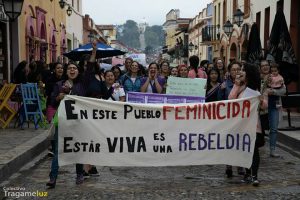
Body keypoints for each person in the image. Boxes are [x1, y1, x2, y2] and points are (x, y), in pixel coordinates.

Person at [46, 41, 98, 188]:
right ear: (66, 71)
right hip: (63, 123)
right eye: (70, 68)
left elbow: (90, 69)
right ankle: (52, 178)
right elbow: (53, 102)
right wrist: (59, 97)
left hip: (78, 123)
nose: (72, 70)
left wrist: (93, 53)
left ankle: (80, 174)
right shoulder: (59, 85)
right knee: (58, 150)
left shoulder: (82, 84)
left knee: (78, 149)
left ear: (78, 71)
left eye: (75, 68)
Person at [228, 63, 268, 186]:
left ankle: (254, 176)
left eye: (243, 70)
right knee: (245, 151)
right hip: (241, 125)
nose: (241, 71)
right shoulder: (240, 87)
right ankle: (247, 173)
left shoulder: (257, 88)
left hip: (254, 125)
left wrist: (261, 100)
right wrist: (237, 83)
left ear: (249, 73)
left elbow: (265, 105)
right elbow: (231, 99)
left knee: (253, 150)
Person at [218, 61, 244, 177]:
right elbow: (220, 101)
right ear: (229, 72)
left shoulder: (245, 84)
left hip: (242, 118)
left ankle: (240, 166)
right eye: (233, 70)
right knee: (229, 142)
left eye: (238, 69)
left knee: (240, 142)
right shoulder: (225, 84)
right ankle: (229, 165)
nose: (236, 72)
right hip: (229, 118)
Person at [266, 62, 286, 157]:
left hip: (274, 106)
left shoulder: (280, 79)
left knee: (273, 129)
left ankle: (272, 150)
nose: (274, 72)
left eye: (275, 70)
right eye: (272, 70)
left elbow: (283, 91)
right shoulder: (266, 78)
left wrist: (273, 91)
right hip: (263, 106)